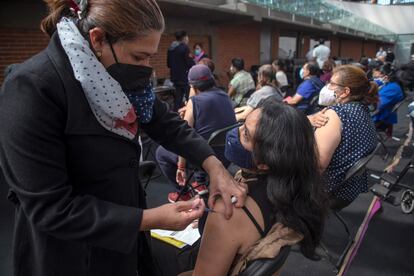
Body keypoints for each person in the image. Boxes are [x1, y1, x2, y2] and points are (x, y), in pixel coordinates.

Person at [0, 1, 246, 276]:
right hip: (69, 254)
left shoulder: (119, 76)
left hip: (124, 241)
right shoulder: (32, 89)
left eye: (151, 56)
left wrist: (213, 166)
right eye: (139, 57)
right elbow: (51, 208)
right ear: (98, 39)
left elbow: (166, 124)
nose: (146, 68)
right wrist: (150, 218)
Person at [185, 98, 327, 275]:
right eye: (242, 124)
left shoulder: (229, 209)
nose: (234, 132)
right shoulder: (294, 189)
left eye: (245, 134)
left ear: (265, 162)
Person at [156, 64, 237, 202]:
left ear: (192, 86)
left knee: (160, 153)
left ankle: (183, 191)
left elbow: (183, 136)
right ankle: (200, 182)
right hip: (226, 156)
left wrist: (181, 167)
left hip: (205, 159)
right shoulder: (224, 95)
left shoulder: (195, 101)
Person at [315, 65, 378, 210]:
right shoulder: (363, 109)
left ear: (345, 92)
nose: (328, 87)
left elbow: (316, 166)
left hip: (327, 192)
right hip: (349, 190)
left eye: (331, 84)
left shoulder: (336, 114)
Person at [372, 63, 405, 135]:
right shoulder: (391, 85)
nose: (375, 79)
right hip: (381, 115)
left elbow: (378, 106)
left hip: (379, 119)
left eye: (377, 77)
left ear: (386, 77)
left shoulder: (392, 89)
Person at [167, 30, 195, 110]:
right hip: (184, 77)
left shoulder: (171, 48)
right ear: (184, 38)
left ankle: (176, 115)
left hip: (175, 78)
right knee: (189, 97)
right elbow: (190, 63)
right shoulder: (184, 47)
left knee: (178, 99)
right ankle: (190, 114)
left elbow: (168, 64)